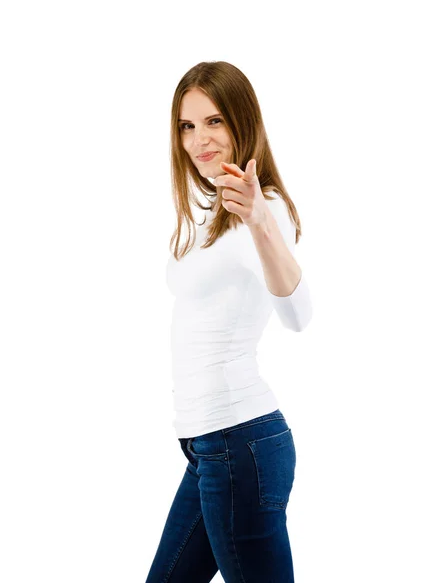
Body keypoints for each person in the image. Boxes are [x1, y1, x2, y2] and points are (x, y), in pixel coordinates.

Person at [145, 61, 313, 583]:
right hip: (207, 448)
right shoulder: (213, 215)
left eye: (214, 121)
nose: (199, 140)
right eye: (187, 126)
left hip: (239, 443)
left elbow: (298, 313)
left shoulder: (262, 210)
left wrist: (260, 223)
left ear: (243, 121)